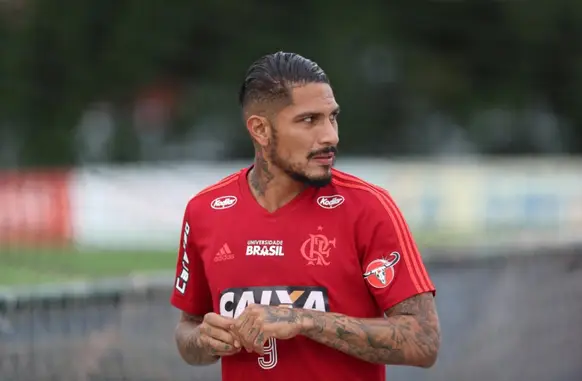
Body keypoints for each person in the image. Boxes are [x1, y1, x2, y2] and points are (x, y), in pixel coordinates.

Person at [170, 52, 441, 381]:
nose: (331, 136)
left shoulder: (369, 207)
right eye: (309, 120)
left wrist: (305, 320)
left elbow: (424, 341)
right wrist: (203, 341)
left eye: (333, 117)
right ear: (260, 130)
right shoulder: (204, 211)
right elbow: (188, 331)